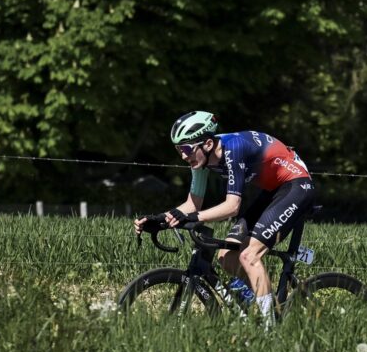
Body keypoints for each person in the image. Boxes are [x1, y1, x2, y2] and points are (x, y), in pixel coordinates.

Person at [134, 111, 315, 327]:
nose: (183, 156)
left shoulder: (233, 149)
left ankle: (271, 330)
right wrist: (160, 219)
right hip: (273, 190)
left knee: (249, 255)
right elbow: (192, 205)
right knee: (226, 256)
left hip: (297, 185)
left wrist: (190, 217)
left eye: (186, 149)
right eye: (178, 150)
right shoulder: (201, 160)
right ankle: (265, 305)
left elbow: (232, 207)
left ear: (207, 144)